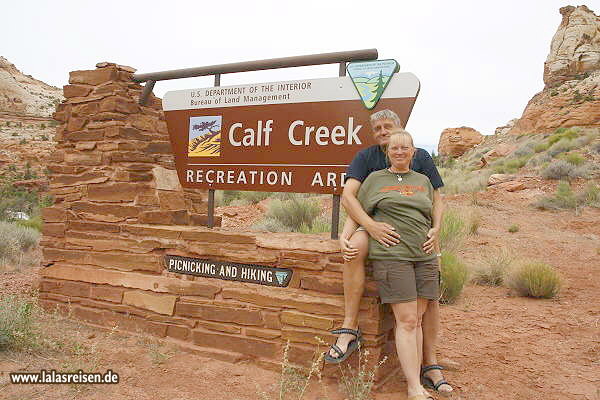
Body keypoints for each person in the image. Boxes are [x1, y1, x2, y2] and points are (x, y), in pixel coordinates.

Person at [324, 110, 452, 397]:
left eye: (389, 127)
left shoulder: (420, 160)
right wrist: (361, 229)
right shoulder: (367, 159)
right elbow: (350, 197)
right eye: (378, 128)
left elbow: (437, 199)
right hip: (377, 227)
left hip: (418, 237)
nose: (384, 132)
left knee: (428, 299)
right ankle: (348, 327)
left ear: (401, 132)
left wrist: (437, 229)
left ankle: (429, 363)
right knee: (354, 249)